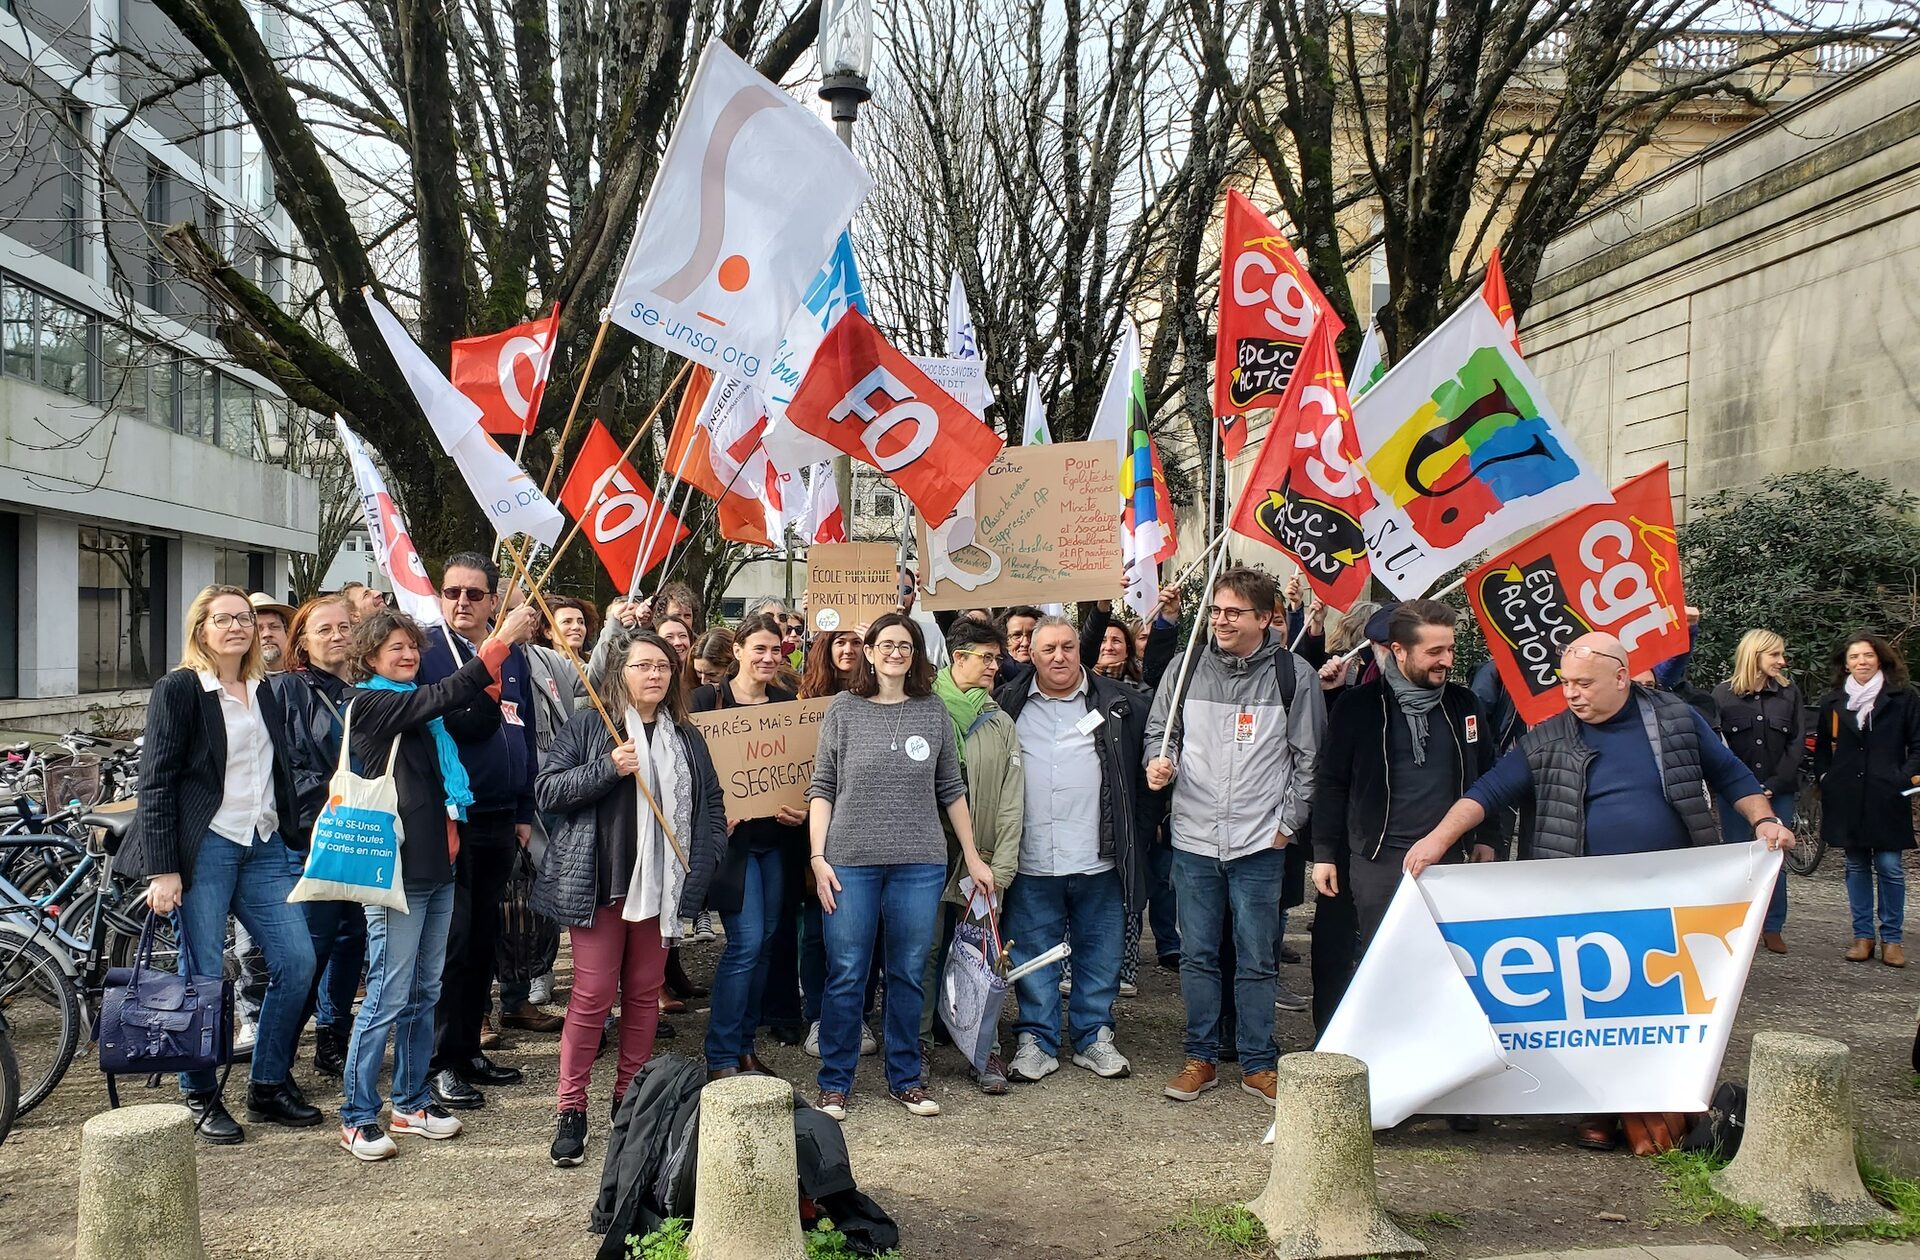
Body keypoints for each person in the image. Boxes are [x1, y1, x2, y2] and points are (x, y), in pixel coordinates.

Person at [1404, 632, 1793, 1154]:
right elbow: (1489, 791)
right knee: (1591, 1007)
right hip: (1584, 901)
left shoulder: (1675, 718)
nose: (1571, 693)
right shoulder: (1549, 735)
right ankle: (1596, 1110)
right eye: (1565, 682)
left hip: (1674, 893)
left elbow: (1731, 775)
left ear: (1620, 676)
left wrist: (1764, 820)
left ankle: (1657, 1099)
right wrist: (1436, 840)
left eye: (1583, 683)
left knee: (1661, 1002)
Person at [335, 602, 541, 1160]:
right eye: (394, 647)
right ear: (370, 655)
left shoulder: (417, 711)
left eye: (411, 647)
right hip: (397, 870)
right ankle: (357, 1115)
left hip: (438, 867)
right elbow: (447, 694)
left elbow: (463, 710)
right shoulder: (371, 703)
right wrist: (498, 644)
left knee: (425, 991)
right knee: (386, 992)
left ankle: (410, 1100)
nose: (406, 655)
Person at [128, 585, 315, 1144]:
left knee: (298, 962)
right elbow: (156, 781)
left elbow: (279, 770)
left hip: (261, 844)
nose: (236, 626)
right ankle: (200, 1091)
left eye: (244, 618)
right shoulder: (181, 688)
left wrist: (294, 834)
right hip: (204, 846)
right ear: (201, 629)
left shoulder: (265, 690)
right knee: (202, 974)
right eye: (223, 618)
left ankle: (267, 1082)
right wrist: (164, 869)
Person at [535, 626, 727, 1168]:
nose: (655, 675)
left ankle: (631, 1098)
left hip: (663, 884)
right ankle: (571, 1108)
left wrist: (710, 855)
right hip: (602, 884)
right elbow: (547, 791)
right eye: (643, 665)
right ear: (620, 673)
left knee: (644, 994)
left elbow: (709, 799)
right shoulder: (590, 723)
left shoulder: (685, 736)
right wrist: (608, 769)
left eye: (663, 667)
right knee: (592, 997)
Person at [1144, 566, 1325, 1104]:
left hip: (1258, 843)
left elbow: (1309, 759)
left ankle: (1258, 1063)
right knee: (1198, 955)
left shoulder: (1295, 676)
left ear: (1266, 618)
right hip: (1194, 839)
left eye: (1232, 613)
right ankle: (1200, 1057)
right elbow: (1163, 730)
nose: (1220, 620)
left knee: (1257, 958)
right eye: (1216, 610)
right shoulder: (1186, 666)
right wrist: (1162, 762)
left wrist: (1287, 825)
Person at [807, 613, 992, 1119]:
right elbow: (822, 787)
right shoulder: (843, 709)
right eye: (885, 644)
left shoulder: (932, 711)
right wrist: (818, 857)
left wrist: (973, 857)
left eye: (905, 645)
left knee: (909, 972)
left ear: (916, 654)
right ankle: (835, 1082)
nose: (895, 652)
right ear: (868, 652)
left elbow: (951, 789)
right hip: (849, 862)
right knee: (847, 972)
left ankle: (906, 1077)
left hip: (920, 862)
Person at [995, 616, 1147, 1084]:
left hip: (1099, 852)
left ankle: (1093, 1035)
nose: (1058, 657)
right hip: (1032, 852)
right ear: (1031, 655)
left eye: (1066, 647)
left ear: (1080, 649)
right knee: (1033, 952)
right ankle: (1036, 1040)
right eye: (1047, 650)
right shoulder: (1007, 703)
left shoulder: (1120, 703)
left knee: (1099, 949)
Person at [416, 553, 541, 1110]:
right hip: (451, 816)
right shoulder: (426, 650)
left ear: (494, 601)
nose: (461, 602)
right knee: (455, 942)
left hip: (498, 815)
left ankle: (468, 1050)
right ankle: (440, 1062)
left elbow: (524, 726)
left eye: (473, 593)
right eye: (452, 592)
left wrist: (522, 808)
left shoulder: (514, 657)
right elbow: (457, 720)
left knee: (485, 940)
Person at [1311, 600, 1497, 951]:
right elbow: (1332, 782)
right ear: (1398, 650)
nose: (1447, 660)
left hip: (1450, 857)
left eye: (1450, 649)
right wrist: (1323, 853)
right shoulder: (1358, 706)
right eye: (1435, 651)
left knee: (1446, 961)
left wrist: (1487, 836)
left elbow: (1487, 772)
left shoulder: (1464, 704)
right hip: (1378, 861)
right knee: (1384, 959)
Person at [690, 613, 808, 1081]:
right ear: (736, 651)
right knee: (745, 943)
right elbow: (691, 772)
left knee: (765, 945)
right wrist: (716, 814)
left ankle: (744, 1046)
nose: (767, 657)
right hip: (732, 844)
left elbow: (798, 773)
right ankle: (721, 1053)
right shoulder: (706, 701)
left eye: (775, 650)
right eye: (758, 648)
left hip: (775, 841)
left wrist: (800, 810)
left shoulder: (785, 703)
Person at [918, 617, 1024, 1093]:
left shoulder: (999, 721)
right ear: (957, 658)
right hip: (924, 860)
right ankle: (916, 1044)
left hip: (979, 861)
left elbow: (1010, 795)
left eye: (997, 658)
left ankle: (984, 1049)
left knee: (981, 954)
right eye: (986, 657)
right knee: (923, 952)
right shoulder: (921, 708)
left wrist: (1000, 866)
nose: (995, 666)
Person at [273, 595, 364, 1078]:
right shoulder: (288, 690)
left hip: (361, 832)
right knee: (310, 947)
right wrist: (331, 799)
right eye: (323, 629)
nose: (336, 636)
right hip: (314, 834)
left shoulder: (366, 688)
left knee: (353, 938)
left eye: (344, 627)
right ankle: (278, 1057)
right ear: (303, 642)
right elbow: (286, 766)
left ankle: (333, 1034)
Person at [1813, 632, 1920, 968]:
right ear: (1845, 664)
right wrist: (1827, 780)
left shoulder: (1904, 697)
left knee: (1890, 866)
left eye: (1868, 655)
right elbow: (1821, 753)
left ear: (1880, 659)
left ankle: (1892, 939)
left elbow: (1918, 746)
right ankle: (1863, 936)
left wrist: (1902, 779)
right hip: (1846, 795)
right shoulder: (1833, 702)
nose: (1862, 662)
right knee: (1855, 865)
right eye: (1855, 657)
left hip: (1887, 795)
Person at [1713, 630, 1805, 955]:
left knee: (1773, 856)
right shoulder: (1723, 695)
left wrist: (1774, 785)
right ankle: (1742, 926)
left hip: (1778, 790)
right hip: (1736, 796)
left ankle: (1773, 926)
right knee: (1741, 858)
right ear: (1755, 656)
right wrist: (1746, 789)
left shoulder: (1788, 693)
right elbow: (1719, 750)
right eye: (1775, 655)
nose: (1782, 661)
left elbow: (1796, 744)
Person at [250, 593, 295, 673]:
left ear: (287, 633)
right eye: (258, 629)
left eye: (274, 627)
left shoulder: (307, 680)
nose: (267, 634)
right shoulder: (234, 683)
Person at [1094, 618, 1143, 684]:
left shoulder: (1145, 688)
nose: (1109, 648)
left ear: (1127, 651)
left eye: (1116, 641)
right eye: (1102, 641)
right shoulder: (1081, 683)